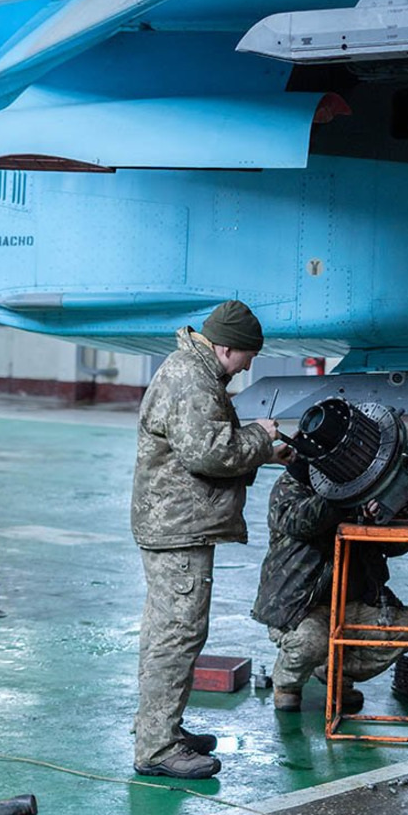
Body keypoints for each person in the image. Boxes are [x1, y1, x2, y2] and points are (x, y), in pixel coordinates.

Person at [131, 299, 287, 780]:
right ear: (225, 348)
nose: (247, 367)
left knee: (169, 632)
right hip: (178, 527)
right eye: (247, 357)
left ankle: (160, 730)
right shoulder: (192, 379)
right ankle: (157, 749)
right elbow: (209, 453)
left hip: (175, 522)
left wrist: (266, 452)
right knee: (177, 635)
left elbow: (204, 445)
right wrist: (260, 436)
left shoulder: (193, 371)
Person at [252, 453, 408, 714]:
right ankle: (287, 684)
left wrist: (385, 512)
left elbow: (399, 546)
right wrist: (346, 498)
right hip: (298, 604)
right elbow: (300, 522)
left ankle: (333, 672)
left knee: (401, 630)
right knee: (310, 641)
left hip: (354, 599)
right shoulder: (293, 482)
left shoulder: (369, 485)